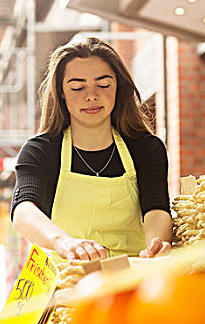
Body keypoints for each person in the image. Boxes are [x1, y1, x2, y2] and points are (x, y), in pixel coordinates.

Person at [11, 37, 172, 261]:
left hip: (129, 277)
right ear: (61, 93)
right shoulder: (41, 150)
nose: (91, 95)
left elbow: (156, 209)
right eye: (78, 87)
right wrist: (64, 243)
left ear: (119, 87)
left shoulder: (146, 148)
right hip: (65, 279)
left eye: (103, 85)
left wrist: (156, 245)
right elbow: (24, 211)